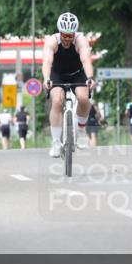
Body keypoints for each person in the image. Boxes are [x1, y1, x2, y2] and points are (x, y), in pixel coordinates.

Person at [41, 12, 96, 157]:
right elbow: (47, 62)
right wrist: (46, 78)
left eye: (70, 36)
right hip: (57, 74)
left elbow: (86, 60)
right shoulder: (52, 41)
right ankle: (56, 142)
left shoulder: (81, 40)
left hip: (77, 72)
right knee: (58, 100)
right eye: (64, 35)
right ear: (60, 32)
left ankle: (81, 130)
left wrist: (90, 77)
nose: (66, 39)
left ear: (74, 34)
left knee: (84, 98)